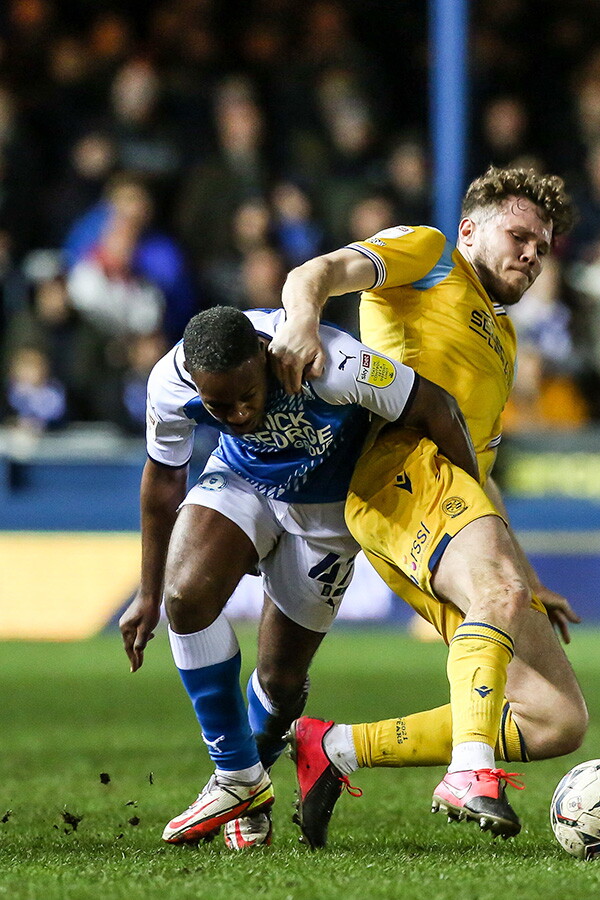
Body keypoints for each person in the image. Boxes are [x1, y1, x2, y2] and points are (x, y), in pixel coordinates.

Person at [270, 166, 588, 847]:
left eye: (544, 246)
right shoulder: (429, 251)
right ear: (471, 228)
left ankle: (333, 748)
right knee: (493, 592)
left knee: (555, 718)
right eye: (519, 235)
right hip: (399, 468)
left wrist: (525, 577)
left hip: (450, 497)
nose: (532, 254)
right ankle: (467, 772)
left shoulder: (502, 342)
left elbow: (482, 474)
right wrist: (301, 324)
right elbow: (314, 272)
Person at [119, 304, 479, 849]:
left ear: (265, 357)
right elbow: (164, 478)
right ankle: (238, 777)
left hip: (329, 516)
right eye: (221, 405)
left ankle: (252, 784)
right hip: (245, 482)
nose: (238, 413)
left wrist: (473, 524)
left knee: (281, 684)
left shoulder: (332, 361)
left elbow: (438, 408)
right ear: (195, 381)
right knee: (183, 597)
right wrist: (148, 593)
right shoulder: (169, 381)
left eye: (248, 395)